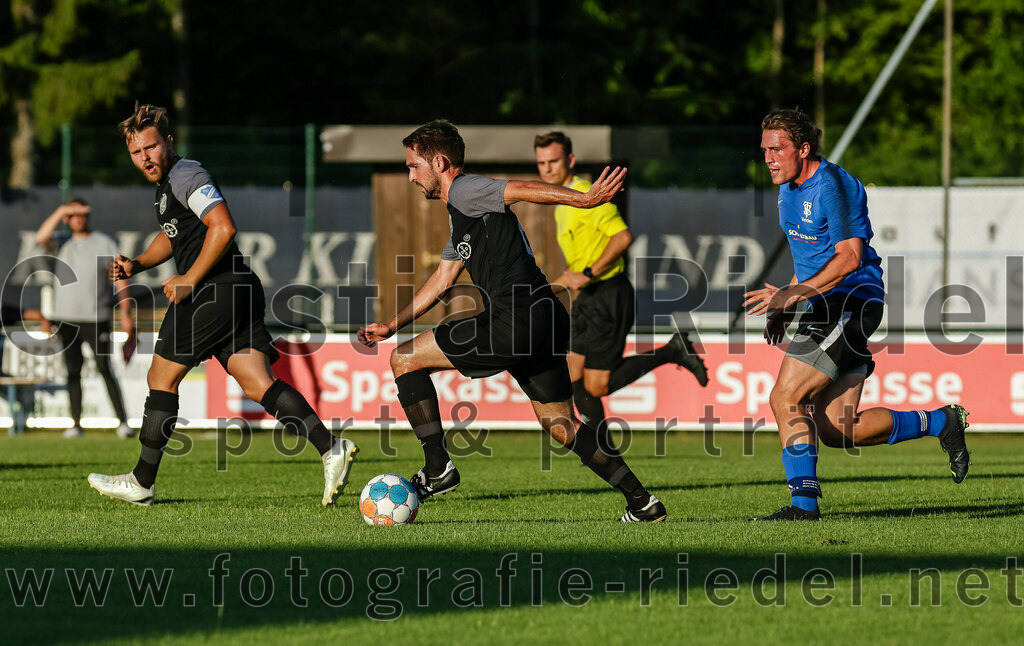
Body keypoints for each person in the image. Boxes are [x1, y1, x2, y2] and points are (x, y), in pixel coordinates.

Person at [358, 120, 666, 522]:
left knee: (404, 359)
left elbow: (517, 188)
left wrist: (584, 200)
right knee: (561, 424)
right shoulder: (465, 215)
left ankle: (437, 468)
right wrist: (392, 324)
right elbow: (443, 279)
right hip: (545, 318)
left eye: (414, 166)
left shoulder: (465, 190)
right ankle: (642, 502)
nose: (411, 176)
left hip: (516, 319)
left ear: (440, 162)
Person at [86, 103, 357, 507]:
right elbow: (173, 236)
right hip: (237, 288)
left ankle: (141, 481)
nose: (145, 157)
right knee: (258, 382)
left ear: (168, 142)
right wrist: (137, 264)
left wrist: (189, 278)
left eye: (151, 147)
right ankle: (331, 447)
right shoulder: (167, 186)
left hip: (213, 291)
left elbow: (224, 226)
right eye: (136, 152)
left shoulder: (186, 174)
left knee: (161, 378)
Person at [743, 108, 970, 521]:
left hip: (851, 301)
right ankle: (940, 422)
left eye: (777, 149)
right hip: (825, 303)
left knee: (785, 396)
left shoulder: (834, 185)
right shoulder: (789, 188)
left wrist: (793, 295)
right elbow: (812, 255)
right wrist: (788, 303)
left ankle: (803, 507)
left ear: (803, 148)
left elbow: (848, 258)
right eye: (765, 150)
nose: (769, 159)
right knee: (837, 428)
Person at [533, 131, 708, 438]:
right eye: (542, 163)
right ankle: (603, 453)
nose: (547, 168)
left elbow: (622, 237)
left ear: (570, 160)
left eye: (554, 161)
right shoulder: (564, 203)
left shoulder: (587, 195)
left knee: (596, 385)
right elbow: (576, 271)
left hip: (609, 295)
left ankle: (672, 351)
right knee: (571, 374)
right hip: (588, 297)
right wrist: (539, 294)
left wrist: (589, 273)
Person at [36, 199, 133, 439]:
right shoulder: (61, 242)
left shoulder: (102, 242)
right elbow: (41, 237)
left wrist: (125, 312)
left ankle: (123, 422)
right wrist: (62, 210)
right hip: (66, 319)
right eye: (74, 215)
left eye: (82, 214)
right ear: (67, 218)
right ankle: (76, 424)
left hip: (95, 318)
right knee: (72, 371)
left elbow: (120, 278)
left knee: (104, 368)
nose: (79, 218)